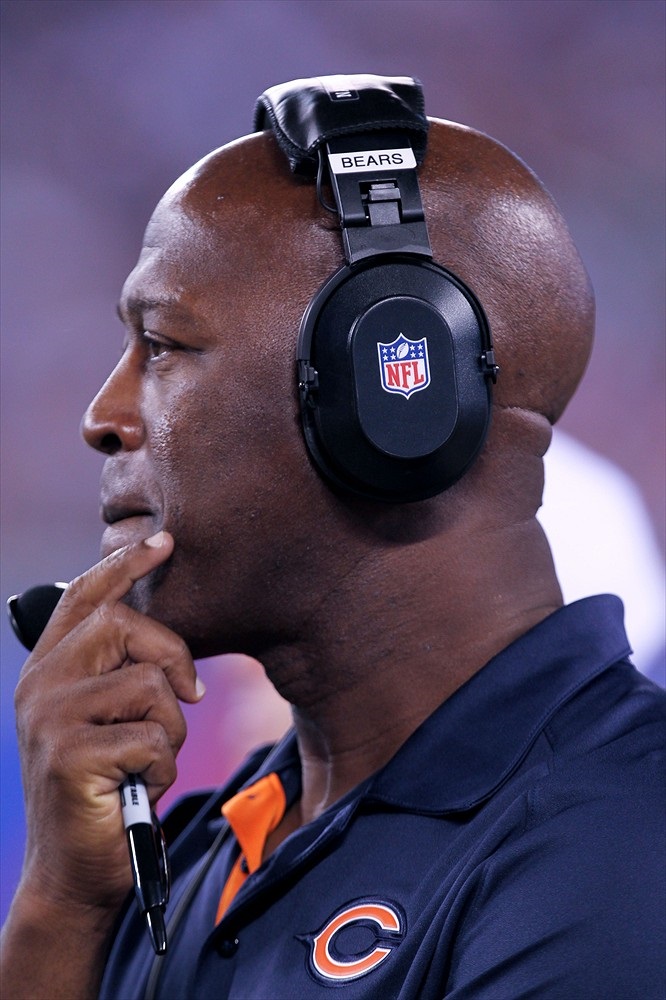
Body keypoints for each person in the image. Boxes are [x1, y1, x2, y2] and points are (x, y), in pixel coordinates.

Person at [1, 75, 664, 999]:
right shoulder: (208, 850)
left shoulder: (619, 854)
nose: (103, 418)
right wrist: (63, 910)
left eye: (164, 346)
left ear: (395, 396)